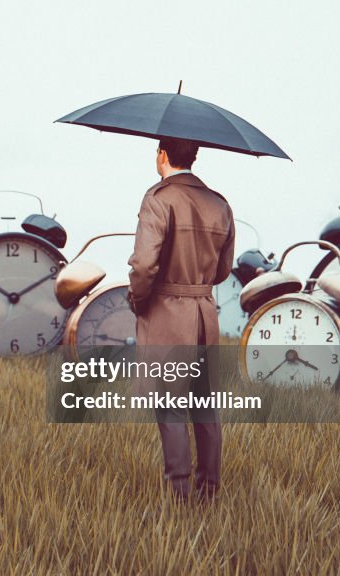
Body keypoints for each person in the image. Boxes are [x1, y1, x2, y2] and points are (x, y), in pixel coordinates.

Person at [127, 137, 235, 502]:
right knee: (205, 406)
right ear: (194, 156)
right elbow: (223, 270)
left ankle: (179, 497)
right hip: (205, 312)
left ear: (162, 155)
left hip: (168, 315)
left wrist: (137, 299)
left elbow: (144, 265)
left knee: (170, 405)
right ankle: (209, 492)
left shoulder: (158, 198)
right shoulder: (219, 203)